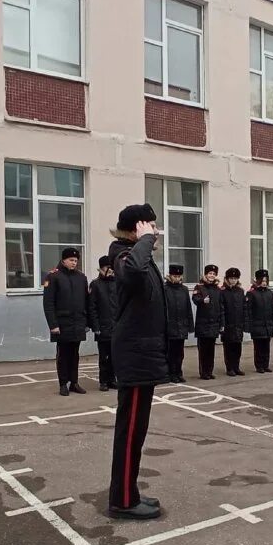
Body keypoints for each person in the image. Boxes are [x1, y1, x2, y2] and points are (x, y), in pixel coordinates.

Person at [107, 203, 167, 520]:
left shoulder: (135, 254)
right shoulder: (122, 254)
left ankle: (128, 493)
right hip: (134, 355)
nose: (156, 233)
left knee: (136, 431)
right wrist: (144, 241)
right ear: (136, 229)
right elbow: (133, 273)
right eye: (150, 228)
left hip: (143, 354)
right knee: (130, 433)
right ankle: (123, 502)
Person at [43, 247, 91, 396]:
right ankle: (63, 383)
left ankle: (74, 382)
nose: (74, 263)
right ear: (63, 260)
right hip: (62, 324)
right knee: (63, 354)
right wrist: (53, 325)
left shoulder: (81, 277)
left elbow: (86, 301)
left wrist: (87, 322)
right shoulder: (53, 277)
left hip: (78, 322)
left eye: (76, 260)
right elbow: (48, 303)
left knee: (75, 354)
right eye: (71, 260)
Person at [88, 255, 118, 392]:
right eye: (108, 268)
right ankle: (104, 381)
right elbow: (92, 307)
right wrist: (96, 326)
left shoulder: (117, 283)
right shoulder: (95, 285)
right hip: (103, 326)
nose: (111, 271)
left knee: (114, 356)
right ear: (101, 269)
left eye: (112, 268)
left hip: (116, 326)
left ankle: (113, 379)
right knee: (104, 357)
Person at [192, 264, 223, 380]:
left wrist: (221, 323)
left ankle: (209, 371)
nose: (211, 276)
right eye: (210, 274)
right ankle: (203, 372)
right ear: (205, 274)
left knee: (211, 350)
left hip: (214, 324)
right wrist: (202, 300)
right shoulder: (199, 287)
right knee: (203, 350)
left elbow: (221, 307)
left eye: (214, 274)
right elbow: (195, 299)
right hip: (203, 324)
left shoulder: (217, 289)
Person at [164, 263, 194, 383]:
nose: (176, 278)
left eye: (178, 276)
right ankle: (170, 373)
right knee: (170, 352)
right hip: (170, 326)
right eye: (174, 276)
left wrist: (190, 325)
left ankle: (178, 372)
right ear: (170, 276)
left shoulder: (184, 289)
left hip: (181, 326)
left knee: (180, 353)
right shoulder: (165, 289)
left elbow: (188, 308)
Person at [245, 269, 273, 373]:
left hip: (268, 324)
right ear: (258, 281)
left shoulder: (269, 293)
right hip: (257, 325)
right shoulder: (252, 293)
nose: (264, 283)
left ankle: (265, 364)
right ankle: (259, 366)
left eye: (266, 281)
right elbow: (248, 310)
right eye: (262, 281)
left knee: (266, 346)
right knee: (258, 347)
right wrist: (249, 325)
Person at [220, 267, 246, 376]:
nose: (233, 280)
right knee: (228, 348)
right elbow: (221, 308)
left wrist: (244, 322)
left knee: (237, 347)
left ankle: (236, 367)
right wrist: (222, 324)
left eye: (235, 278)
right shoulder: (223, 292)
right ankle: (229, 367)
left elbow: (244, 307)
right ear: (227, 279)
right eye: (231, 278)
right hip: (228, 324)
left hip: (238, 324)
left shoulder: (240, 291)